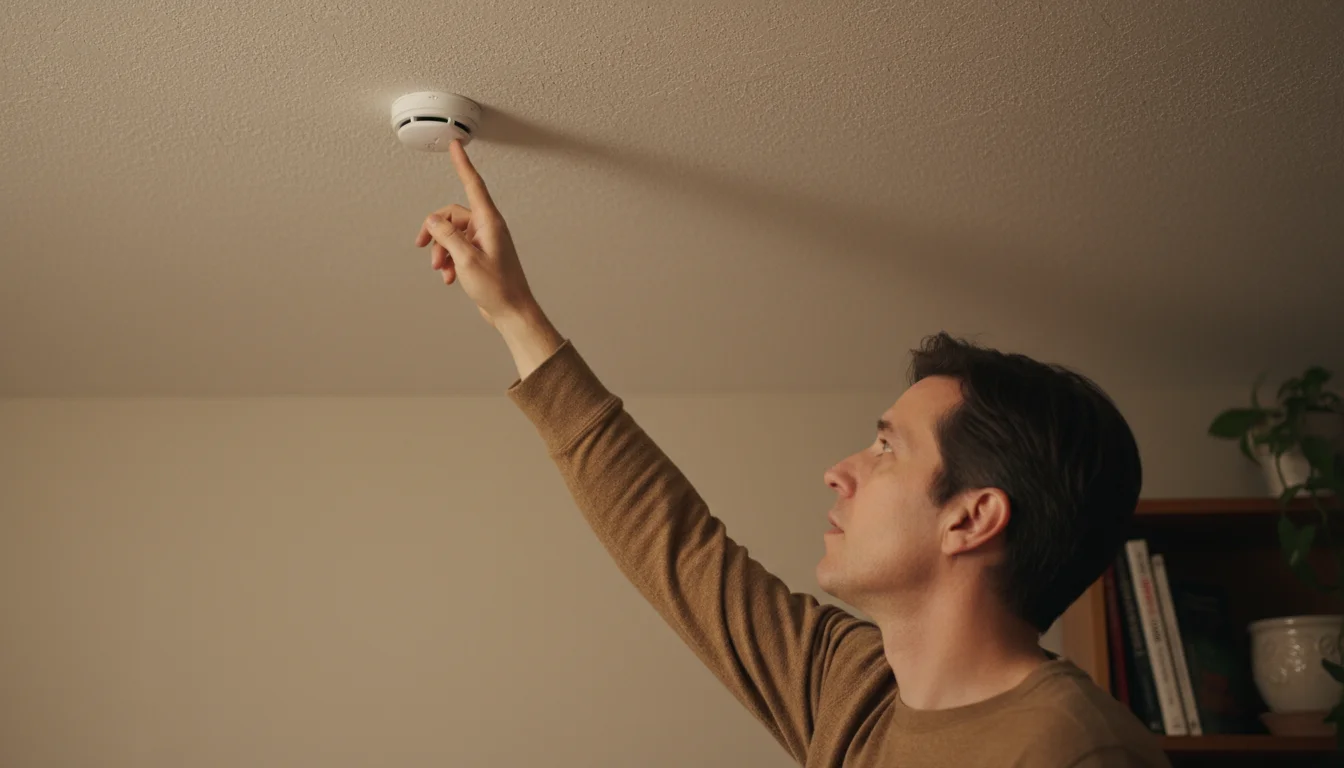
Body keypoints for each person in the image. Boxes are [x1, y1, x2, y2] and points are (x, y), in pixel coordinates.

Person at [414, 139, 1171, 767]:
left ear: (971, 518)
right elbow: (674, 547)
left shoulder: (1076, 750)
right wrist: (514, 314)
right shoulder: (852, 689)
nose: (839, 473)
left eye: (886, 448)